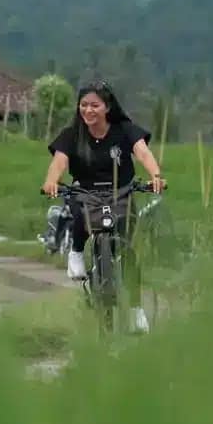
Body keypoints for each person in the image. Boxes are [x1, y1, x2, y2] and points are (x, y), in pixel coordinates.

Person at [41, 80, 165, 333]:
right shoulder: (71, 134)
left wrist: (155, 175)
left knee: (128, 250)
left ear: (107, 107)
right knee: (77, 211)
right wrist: (51, 181)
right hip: (85, 192)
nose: (88, 110)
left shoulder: (125, 130)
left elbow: (142, 152)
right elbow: (59, 162)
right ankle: (76, 252)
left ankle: (135, 310)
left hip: (121, 192)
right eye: (84, 105)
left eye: (95, 105)